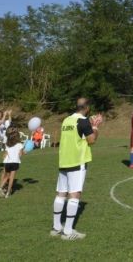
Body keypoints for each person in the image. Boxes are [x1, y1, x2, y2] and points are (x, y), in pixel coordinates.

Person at [52, 97, 102, 241]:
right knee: (74, 195)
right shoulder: (83, 121)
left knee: (61, 193)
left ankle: (56, 228)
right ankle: (67, 231)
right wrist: (96, 126)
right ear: (86, 108)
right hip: (77, 161)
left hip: (64, 161)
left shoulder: (66, 120)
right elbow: (91, 140)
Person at [0, 129, 24, 199]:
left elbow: (5, 154)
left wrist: (4, 160)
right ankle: (8, 192)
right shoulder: (20, 145)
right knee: (11, 178)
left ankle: (0, 188)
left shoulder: (7, 144)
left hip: (7, 162)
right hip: (15, 162)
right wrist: (24, 152)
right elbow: (20, 154)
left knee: (6, 176)